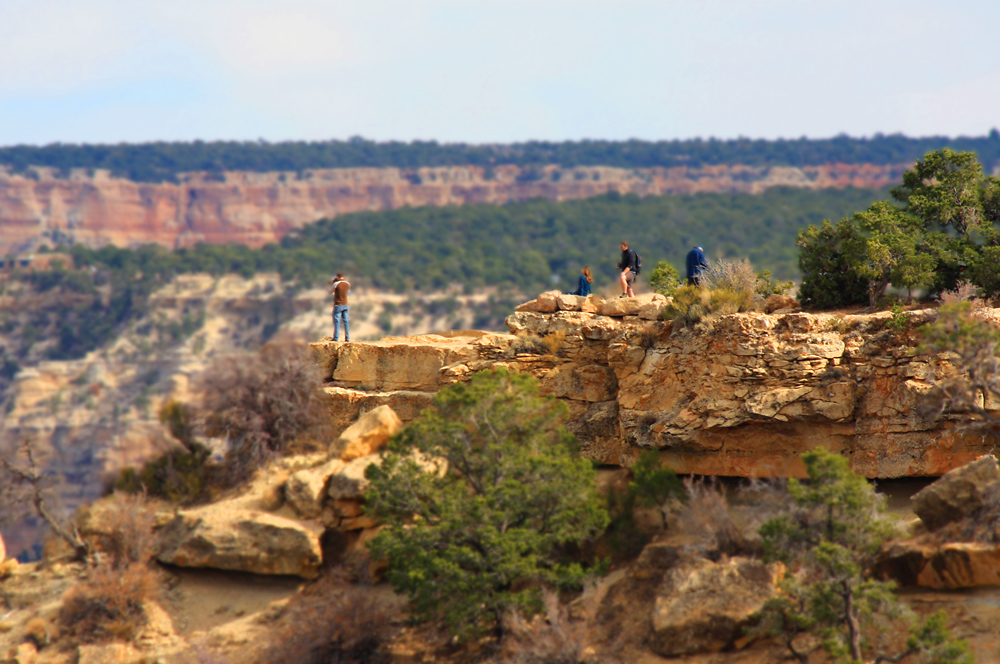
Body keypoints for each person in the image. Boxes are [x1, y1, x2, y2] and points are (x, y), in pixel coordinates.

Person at [329, 272, 350, 342]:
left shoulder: (336, 284)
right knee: (346, 322)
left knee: (337, 322)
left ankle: (336, 338)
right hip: (345, 305)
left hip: (338, 305)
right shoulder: (347, 284)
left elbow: (330, 292)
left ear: (337, 277)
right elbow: (348, 293)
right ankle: (347, 338)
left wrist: (332, 285)